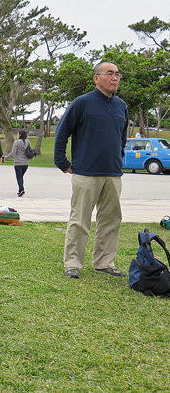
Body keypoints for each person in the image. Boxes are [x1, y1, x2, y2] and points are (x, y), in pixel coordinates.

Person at [54, 61, 129, 279]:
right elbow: (62, 133)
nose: (115, 77)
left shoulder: (121, 106)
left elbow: (121, 138)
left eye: (118, 74)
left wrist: (118, 159)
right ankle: (73, 264)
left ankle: (104, 262)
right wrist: (63, 162)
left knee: (111, 220)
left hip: (113, 174)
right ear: (96, 78)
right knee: (80, 220)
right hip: (85, 173)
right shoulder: (82, 103)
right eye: (110, 73)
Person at [3, 130, 32, 197]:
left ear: (20, 135)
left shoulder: (17, 142)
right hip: (26, 163)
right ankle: (20, 190)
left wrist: (6, 158)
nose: (17, 135)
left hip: (18, 163)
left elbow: (13, 153)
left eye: (18, 134)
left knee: (19, 177)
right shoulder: (28, 142)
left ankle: (21, 190)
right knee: (21, 177)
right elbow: (29, 150)